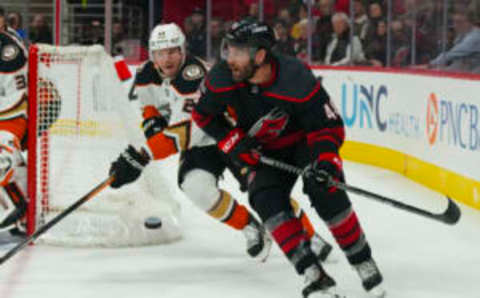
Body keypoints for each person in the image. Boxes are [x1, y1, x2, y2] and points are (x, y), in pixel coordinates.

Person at [192, 19, 385, 297]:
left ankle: (362, 259)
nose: (229, 58)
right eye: (228, 50)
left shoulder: (296, 77)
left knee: (326, 190)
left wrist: (327, 162)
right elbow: (203, 114)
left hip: (304, 143)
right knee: (265, 199)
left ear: (260, 55)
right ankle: (312, 272)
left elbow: (327, 126)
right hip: (263, 151)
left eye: (237, 52)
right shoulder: (222, 78)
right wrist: (232, 140)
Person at [108, 23, 333, 262]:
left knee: (265, 190)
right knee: (195, 186)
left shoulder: (192, 76)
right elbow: (149, 107)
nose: (167, 58)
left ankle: (308, 236)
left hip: (231, 135)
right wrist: (152, 123)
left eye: (173, 51)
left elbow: (187, 132)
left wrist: (141, 155)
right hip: (200, 146)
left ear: (183, 50)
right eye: (160, 53)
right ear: (152, 55)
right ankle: (250, 228)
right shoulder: (145, 74)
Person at [0, 7, 29, 236]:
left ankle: (21, 208)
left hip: (12, 117)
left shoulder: (9, 49)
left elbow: (16, 98)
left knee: (2, 160)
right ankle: (22, 208)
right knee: (10, 163)